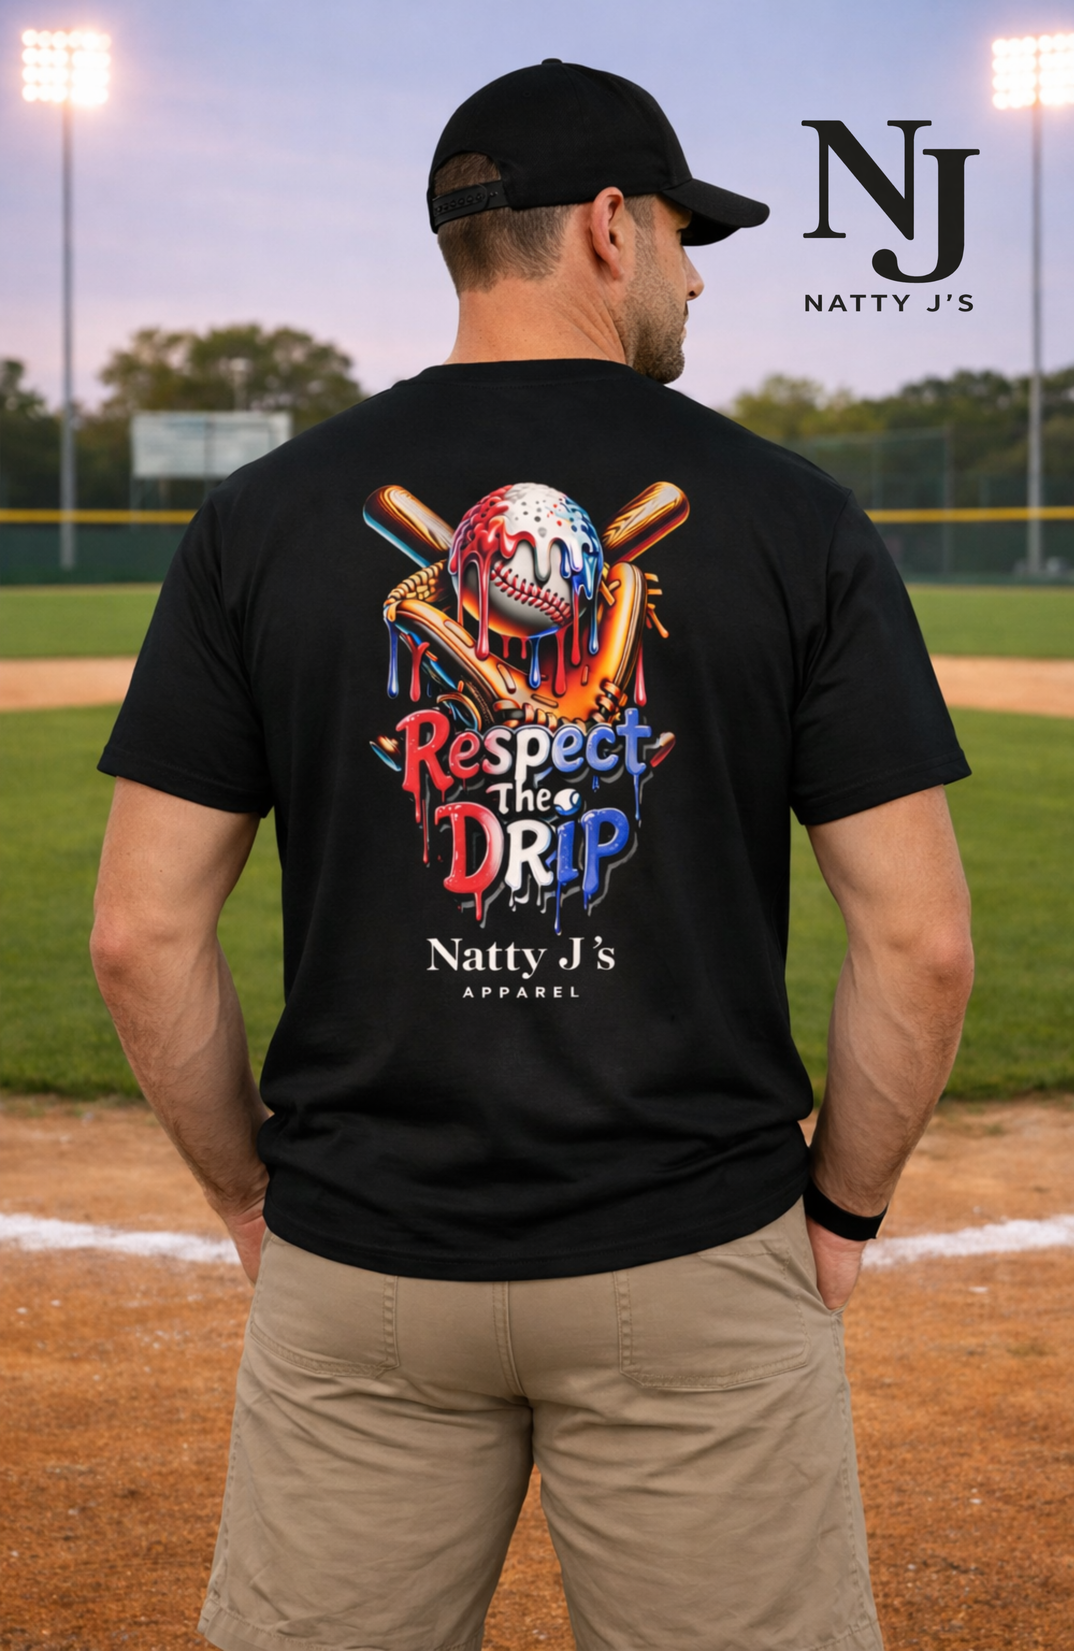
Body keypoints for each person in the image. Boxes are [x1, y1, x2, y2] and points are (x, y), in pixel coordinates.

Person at [91, 58, 974, 1651]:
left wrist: (247, 1204)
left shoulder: (259, 519)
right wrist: (836, 1219)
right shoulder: (791, 517)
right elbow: (921, 944)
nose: (701, 274)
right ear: (614, 231)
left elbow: (140, 936)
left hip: (361, 1263)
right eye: (692, 237)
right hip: (692, 1251)